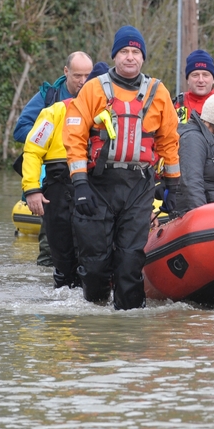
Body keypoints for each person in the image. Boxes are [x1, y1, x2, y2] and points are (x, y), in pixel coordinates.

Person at [64, 26, 180, 310]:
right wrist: (79, 183)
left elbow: (169, 141)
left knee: (130, 262)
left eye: (136, 52)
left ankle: (128, 329)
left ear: (143, 57)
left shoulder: (158, 92)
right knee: (95, 264)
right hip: (97, 185)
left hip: (138, 186)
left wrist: (173, 185)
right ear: (115, 55)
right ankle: (96, 322)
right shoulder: (93, 89)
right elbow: (75, 136)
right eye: (124, 52)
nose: (130, 57)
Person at [21, 62, 109, 288]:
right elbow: (32, 150)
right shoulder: (55, 111)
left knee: (95, 259)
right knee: (61, 259)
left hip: (97, 191)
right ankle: (62, 304)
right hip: (59, 191)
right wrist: (32, 189)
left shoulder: (110, 117)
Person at [14, 51, 93, 267]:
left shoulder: (97, 98)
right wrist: (53, 135)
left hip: (85, 182)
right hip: (53, 181)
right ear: (66, 72)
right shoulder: (48, 98)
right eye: (78, 75)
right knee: (51, 247)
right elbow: (21, 131)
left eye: (88, 75)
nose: (83, 81)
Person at [174, 90, 214, 215]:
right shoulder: (193, 139)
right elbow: (192, 184)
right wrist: (203, 219)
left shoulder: (210, 140)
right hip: (202, 213)